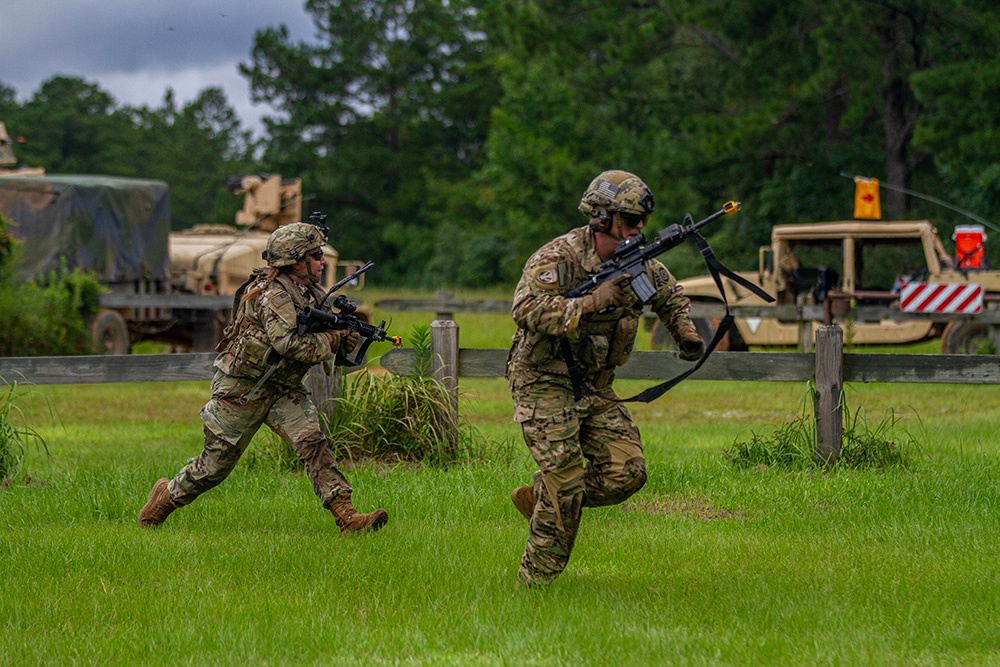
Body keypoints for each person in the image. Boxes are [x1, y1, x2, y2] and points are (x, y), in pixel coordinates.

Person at [506, 170, 705, 586]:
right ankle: (532, 588)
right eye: (630, 222)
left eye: (641, 223)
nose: (638, 230)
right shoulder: (558, 258)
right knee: (566, 482)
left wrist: (685, 332)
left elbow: (669, 295)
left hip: (595, 385)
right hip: (543, 379)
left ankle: (542, 498)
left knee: (627, 473)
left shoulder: (638, 263)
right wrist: (590, 303)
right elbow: (525, 310)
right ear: (601, 218)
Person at [139, 222, 388, 534]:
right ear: (296, 261)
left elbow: (316, 333)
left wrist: (346, 337)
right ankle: (164, 499)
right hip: (243, 390)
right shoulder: (272, 296)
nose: (323, 261)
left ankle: (347, 517)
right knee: (213, 468)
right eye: (316, 255)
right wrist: (334, 340)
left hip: (282, 388)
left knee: (313, 445)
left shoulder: (309, 293)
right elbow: (290, 344)